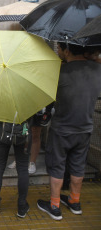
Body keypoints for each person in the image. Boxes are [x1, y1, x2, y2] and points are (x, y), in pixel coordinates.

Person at [37, 43, 101, 220]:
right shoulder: (97, 69)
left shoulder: (60, 72)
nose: (57, 52)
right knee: (78, 166)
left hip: (62, 130)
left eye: (58, 49)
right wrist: (95, 58)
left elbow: (47, 96)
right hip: (85, 128)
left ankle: (55, 205)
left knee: (57, 166)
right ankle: (74, 202)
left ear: (67, 51)